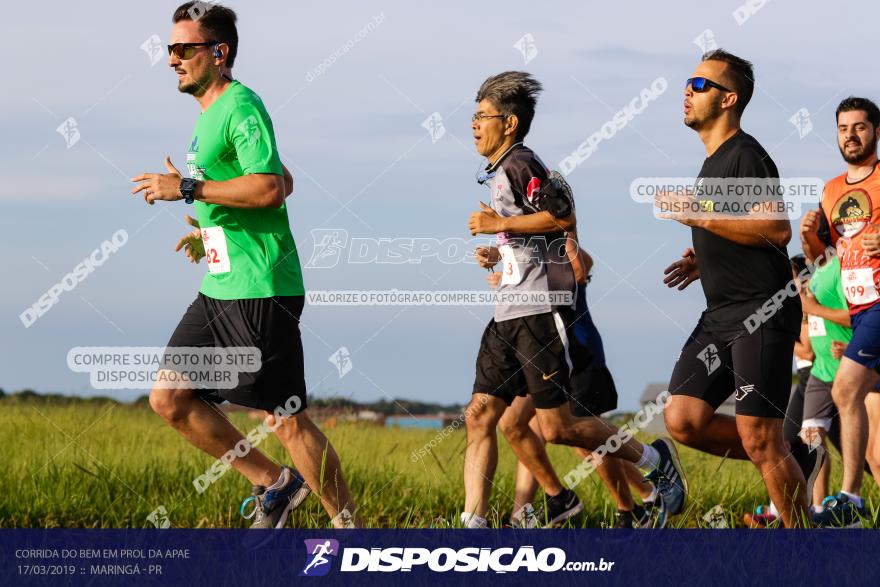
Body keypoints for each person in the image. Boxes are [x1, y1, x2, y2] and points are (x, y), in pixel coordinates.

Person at [131, 2, 359, 529]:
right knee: (170, 395)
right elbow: (280, 177)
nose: (172, 59)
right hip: (221, 284)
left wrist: (187, 187)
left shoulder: (241, 105)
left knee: (282, 419)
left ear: (219, 52)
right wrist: (208, 227)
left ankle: (353, 537)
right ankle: (273, 484)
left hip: (260, 285)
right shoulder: (209, 117)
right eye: (170, 49)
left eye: (184, 49)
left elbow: (271, 188)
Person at [462, 71, 686, 529]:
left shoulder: (522, 164)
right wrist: (499, 253)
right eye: (473, 115)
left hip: (541, 314)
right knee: (481, 415)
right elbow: (536, 238)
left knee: (559, 427)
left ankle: (653, 460)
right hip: (507, 314)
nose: (473, 124)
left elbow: (562, 216)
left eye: (482, 116)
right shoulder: (501, 172)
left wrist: (494, 228)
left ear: (509, 123)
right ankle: (473, 524)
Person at [656, 50, 809, 527]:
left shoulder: (746, 153)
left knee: (760, 436)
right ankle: (794, 457)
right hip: (719, 314)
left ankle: (809, 549)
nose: (687, 90)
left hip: (760, 312)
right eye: (688, 82)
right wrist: (704, 259)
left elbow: (777, 229)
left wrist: (697, 216)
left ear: (729, 99)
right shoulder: (713, 162)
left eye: (700, 85)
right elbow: (739, 229)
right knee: (683, 418)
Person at [801, 96, 880, 526]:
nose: (850, 135)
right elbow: (825, 259)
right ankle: (850, 500)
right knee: (848, 398)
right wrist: (809, 239)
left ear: (876, 132)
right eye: (843, 128)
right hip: (858, 308)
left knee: (844, 391)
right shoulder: (832, 190)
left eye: (860, 127)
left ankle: (850, 498)